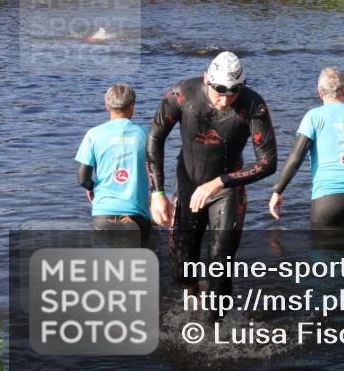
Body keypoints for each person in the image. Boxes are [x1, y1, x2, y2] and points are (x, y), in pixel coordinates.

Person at [147, 52, 277, 304]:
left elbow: (268, 162)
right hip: (188, 184)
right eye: (219, 90)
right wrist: (157, 193)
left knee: (220, 262)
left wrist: (220, 182)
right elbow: (154, 138)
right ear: (207, 79)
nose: (225, 99)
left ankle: (217, 329)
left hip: (227, 190)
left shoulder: (253, 106)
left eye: (233, 91)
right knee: (181, 270)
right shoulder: (182, 94)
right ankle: (194, 294)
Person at [270, 67, 344, 227]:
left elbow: (296, 158)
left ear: (320, 92)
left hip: (326, 200)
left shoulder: (313, 117)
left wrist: (278, 191)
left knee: (323, 251)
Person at [76, 84, 152, 238]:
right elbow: (156, 171)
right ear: (132, 106)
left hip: (103, 215)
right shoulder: (146, 134)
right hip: (137, 216)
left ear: (107, 105)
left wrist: (92, 187)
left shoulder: (93, 135)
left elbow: (83, 178)